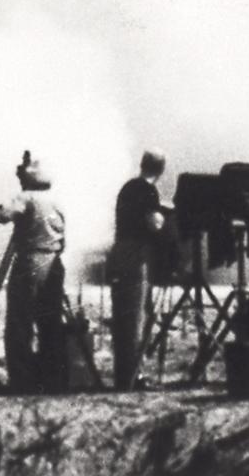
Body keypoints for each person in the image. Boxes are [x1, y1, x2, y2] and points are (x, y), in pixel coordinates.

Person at [0, 150, 67, 392]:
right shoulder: (57, 200)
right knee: (50, 322)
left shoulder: (25, 198)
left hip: (31, 261)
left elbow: (2, 215)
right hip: (54, 263)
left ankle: (22, 380)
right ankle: (52, 378)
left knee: (20, 322)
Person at [109, 148, 167, 390]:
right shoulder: (148, 190)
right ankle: (133, 377)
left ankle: (123, 374)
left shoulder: (128, 187)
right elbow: (153, 224)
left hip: (119, 252)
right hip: (136, 254)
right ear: (161, 169)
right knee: (135, 316)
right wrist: (164, 217)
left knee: (122, 315)